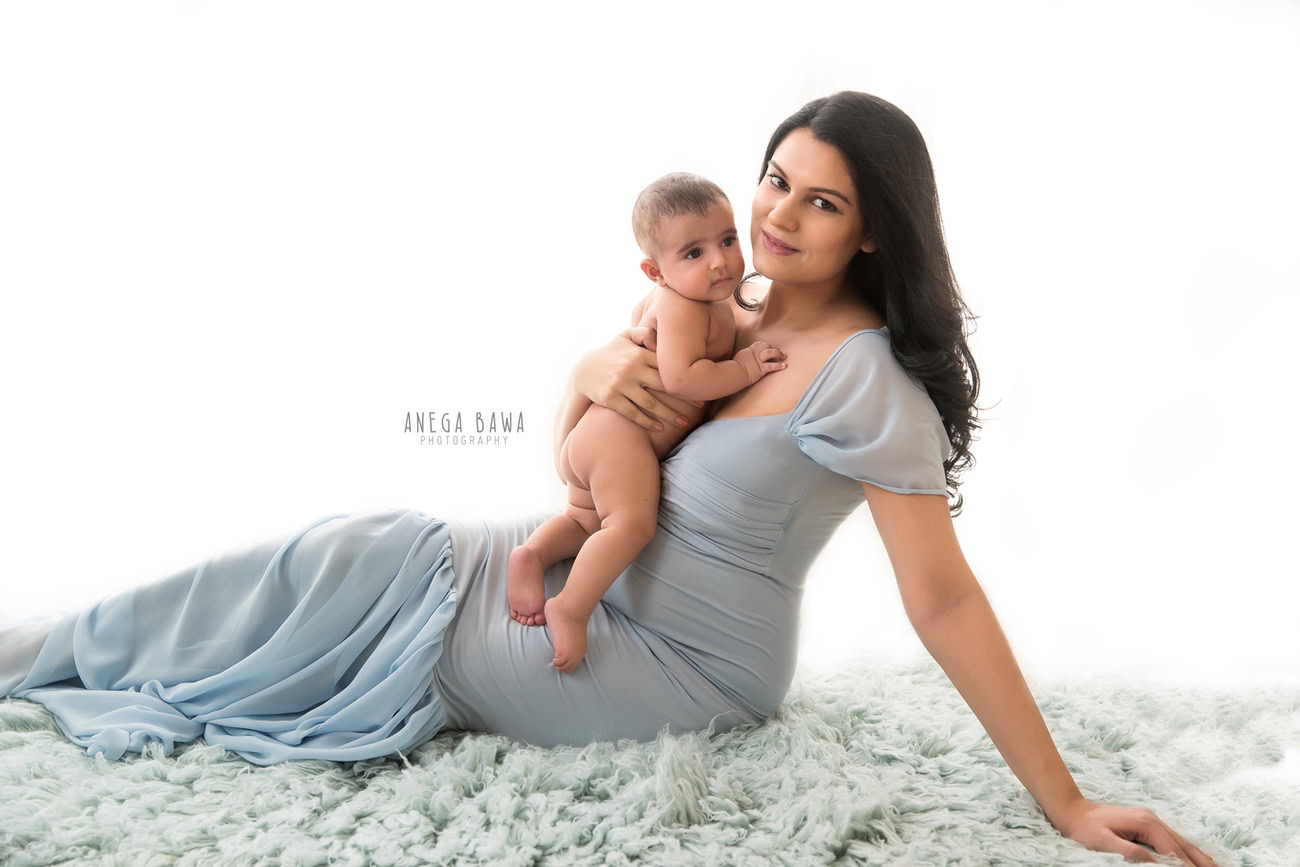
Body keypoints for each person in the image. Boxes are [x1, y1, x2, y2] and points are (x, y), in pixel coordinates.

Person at [0, 91, 1215, 866]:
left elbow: (940, 597)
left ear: (874, 230)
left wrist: (1062, 803)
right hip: (594, 568)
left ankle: (59, 654)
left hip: (676, 658)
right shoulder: (714, 299)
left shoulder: (862, 382)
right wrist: (591, 362)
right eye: (776, 179)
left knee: (369, 609)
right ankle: (52, 643)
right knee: (360, 545)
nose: (780, 213)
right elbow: (579, 457)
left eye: (823, 200)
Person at [508, 171, 787, 673]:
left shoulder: (691, 298)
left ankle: (531, 555)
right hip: (620, 439)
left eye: (727, 240)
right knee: (630, 526)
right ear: (655, 272)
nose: (720, 260)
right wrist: (743, 369)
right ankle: (570, 607)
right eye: (694, 253)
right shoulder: (683, 307)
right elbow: (682, 379)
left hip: (600, 436)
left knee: (584, 520)